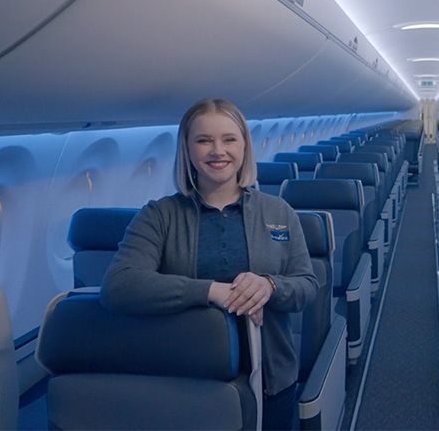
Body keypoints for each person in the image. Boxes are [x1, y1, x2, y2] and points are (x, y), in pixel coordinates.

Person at [100, 98, 319, 430]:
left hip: (270, 376)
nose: (218, 150)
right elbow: (119, 285)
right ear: (187, 149)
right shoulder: (160, 215)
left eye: (229, 139)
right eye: (204, 140)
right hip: (187, 377)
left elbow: (307, 285)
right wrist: (211, 292)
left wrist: (269, 285)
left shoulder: (278, 212)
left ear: (244, 145)